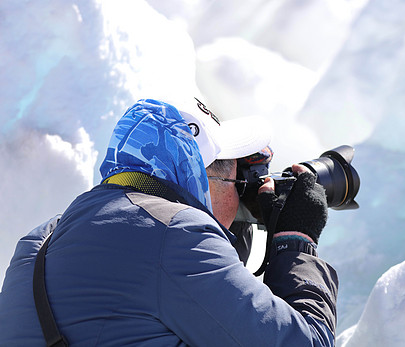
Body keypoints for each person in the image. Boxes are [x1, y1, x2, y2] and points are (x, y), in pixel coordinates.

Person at [0, 98, 338, 346]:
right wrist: (296, 243)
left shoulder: (41, 238)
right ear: (201, 178)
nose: (244, 191)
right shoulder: (176, 236)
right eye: (239, 176)